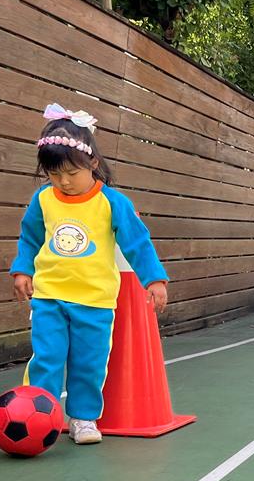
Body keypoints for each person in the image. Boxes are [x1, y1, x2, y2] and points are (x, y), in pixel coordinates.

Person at [10, 104, 168, 445]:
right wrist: (22, 269)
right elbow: (30, 237)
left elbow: (137, 243)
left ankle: (83, 418)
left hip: (95, 301)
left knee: (89, 363)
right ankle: (43, 416)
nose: (64, 182)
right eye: (54, 175)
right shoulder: (43, 199)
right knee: (47, 358)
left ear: (93, 162)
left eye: (71, 173)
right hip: (50, 296)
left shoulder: (112, 203)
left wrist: (154, 279)